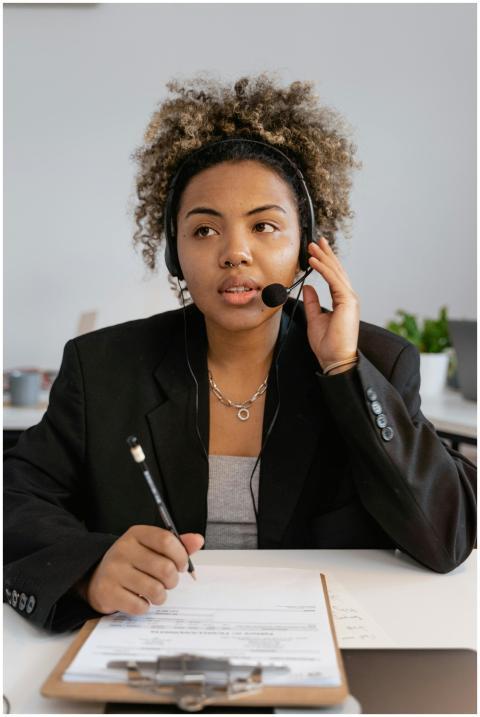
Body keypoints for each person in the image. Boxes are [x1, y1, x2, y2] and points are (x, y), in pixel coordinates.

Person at [4, 74, 476, 633]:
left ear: (307, 248)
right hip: (153, 643)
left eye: (265, 226)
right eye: (204, 231)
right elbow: (15, 500)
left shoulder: (375, 361)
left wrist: (343, 371)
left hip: (323, 646)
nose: (235, 253)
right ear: (175, 255)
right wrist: (88, 569)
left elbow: (445, 538)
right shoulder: (102, 365)